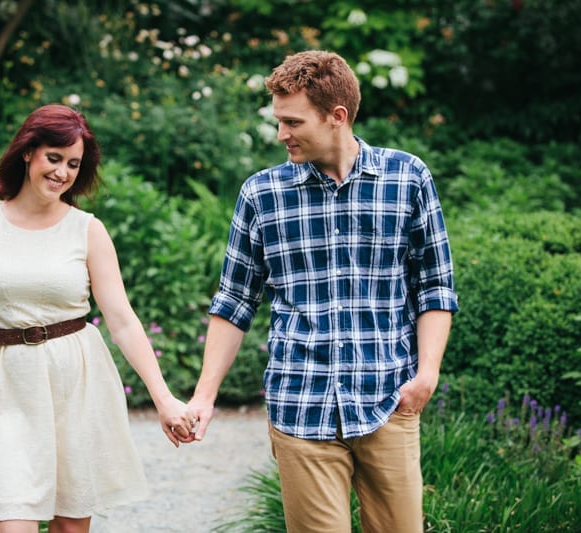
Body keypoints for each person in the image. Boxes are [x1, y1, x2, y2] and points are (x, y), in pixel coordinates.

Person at [188, 50, 459, 532]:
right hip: (300, 405)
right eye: (278, 120)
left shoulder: (407, 178)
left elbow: (435, 285)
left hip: (389, 400)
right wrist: (205, 397)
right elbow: (233, 301)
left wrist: (428, 374)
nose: (281, 134)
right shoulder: (262, 194)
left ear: (337, 117)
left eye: (292, 121)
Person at [0, 104, 195, 532]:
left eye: (73, 164)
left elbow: (121, 319)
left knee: (70, 526)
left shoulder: (87, 230)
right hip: (8, 384)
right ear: (28, 152)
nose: (63, 173)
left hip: (76, 379)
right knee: (12, 520)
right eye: (54, 158)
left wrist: (163, 399)